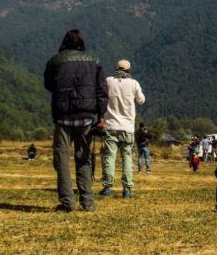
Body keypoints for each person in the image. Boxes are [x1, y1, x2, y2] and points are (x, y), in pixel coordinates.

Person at [44, 29, 108, 212]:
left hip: (63, 115)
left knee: (61, 159)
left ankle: (67, 202)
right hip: (86, 117)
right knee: (84, 158)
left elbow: (49, 85)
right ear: (82, 43)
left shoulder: (56, 61)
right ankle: (87, 202)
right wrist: (101, 116)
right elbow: (101, 90)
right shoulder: (94, 61)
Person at [99, 60, 145, 199]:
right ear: (129, 70)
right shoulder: (133, 83)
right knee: (127, 158)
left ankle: (107, 186)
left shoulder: (108, 81)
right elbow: (141, 100)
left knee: (110, 158)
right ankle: (127, 188)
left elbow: (101, 96)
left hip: (111, 126)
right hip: (127, 127)